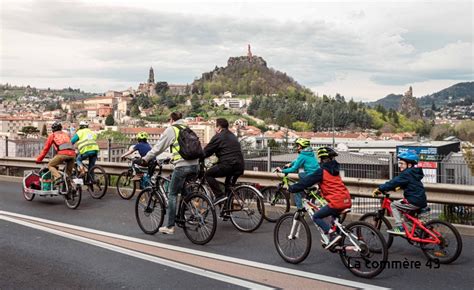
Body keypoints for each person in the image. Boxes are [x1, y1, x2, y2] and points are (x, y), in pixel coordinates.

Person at [141, 112, 199, 235]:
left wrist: (145, 159)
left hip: (183, 166)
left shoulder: (172, 129)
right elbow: (182, 149)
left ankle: (170, 226)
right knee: (184, 193)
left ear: (172, 119)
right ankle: (192, 214)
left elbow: (158, 148)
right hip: (195, 165)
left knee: (172, 194)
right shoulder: (187, 129)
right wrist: (171, 158)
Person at [288, 147, 352, 249]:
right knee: (334, 219)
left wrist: (292, 188)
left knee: (316, 216)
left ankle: (332, 234)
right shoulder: (335, 171)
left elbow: (306, 182)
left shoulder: (321, 171)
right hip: (346, 200)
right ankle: (338, 241)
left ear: (322, 159)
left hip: (336, 202)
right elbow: (330, 184)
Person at [373, 151, 426, 236]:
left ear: (409, 165)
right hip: (420, 199)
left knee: (393, 205)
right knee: (407, 218)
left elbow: (393, 182)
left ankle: (399, 227)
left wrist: (380, 189)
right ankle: (422, 232)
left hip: (413, 200)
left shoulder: (406, 173)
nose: (400, 166)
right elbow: (409, 184)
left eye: (402, 163)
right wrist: (398, 187)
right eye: (399, 163)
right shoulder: (414, 172)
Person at [203, 118, 245, 205]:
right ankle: (227, 210)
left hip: (228, 164)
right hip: (240, 165)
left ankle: (219, 196)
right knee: (228, 186)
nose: (215, 129)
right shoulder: (232, 135)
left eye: (215, 126)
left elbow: (207, 151)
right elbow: (227, 151)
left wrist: (199, 157)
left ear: (219, 127)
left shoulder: (218, 136)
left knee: (208, 174)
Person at [276, 138, 319, 209]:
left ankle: (300, 210)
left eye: (298, 146)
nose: (297, 147)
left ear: (302, 146)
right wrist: (290, 163)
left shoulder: (303, 156)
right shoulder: (310, 153)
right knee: (301, 174)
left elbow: (294, 169)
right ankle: (308, 191)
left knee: (296, 189)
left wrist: (281, 171)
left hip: (311, 176)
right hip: (317, 175)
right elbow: (298, 160)